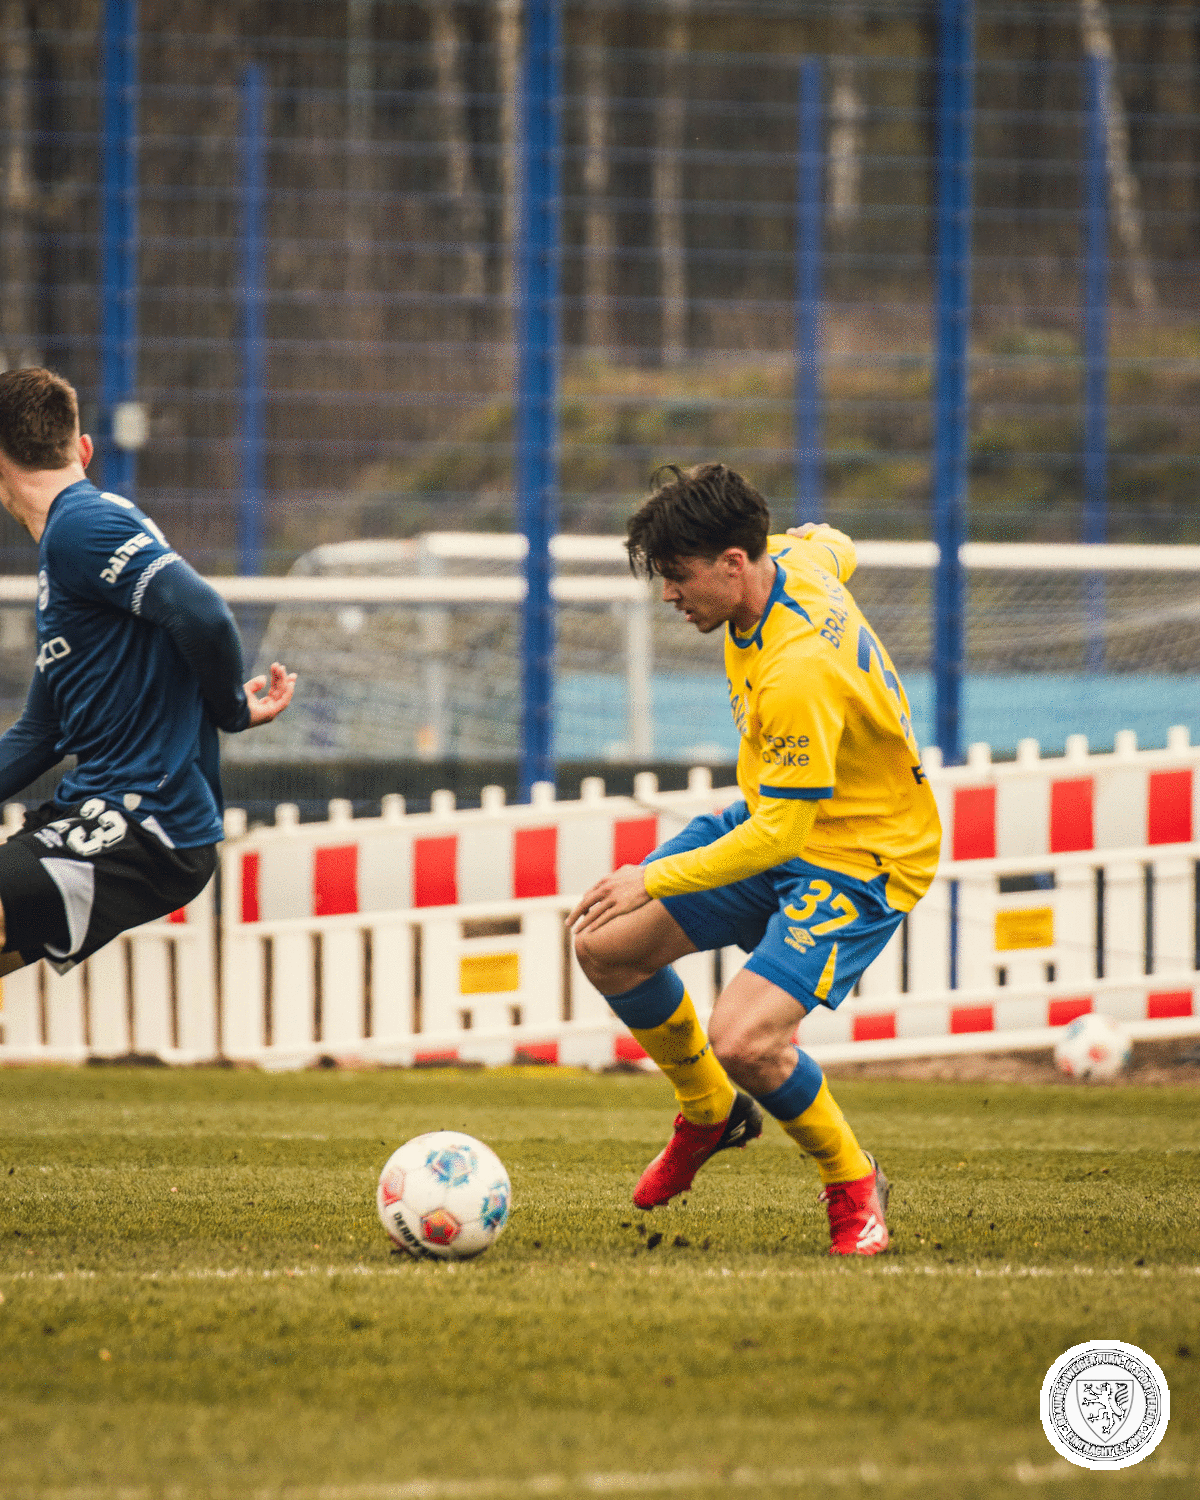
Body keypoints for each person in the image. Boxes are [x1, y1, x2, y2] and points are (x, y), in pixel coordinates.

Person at [568, 462, 940, 1255]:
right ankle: (710, 1113)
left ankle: (853, 1181)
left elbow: (777, 842)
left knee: (745, 1040)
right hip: (783, 815)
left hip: (859, 855)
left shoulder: (797, 670)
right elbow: (835, 543)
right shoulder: (792, 559)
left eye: (678, 575)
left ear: (734, 563)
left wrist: (650, 877)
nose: (669, 594)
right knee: (604, 945)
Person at [0, 366, 295, 977]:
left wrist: (230, 711)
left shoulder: (82, 525)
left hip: (146, 820)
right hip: (98, 811)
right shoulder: (68, 550)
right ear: (84, 448)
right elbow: (41, 732)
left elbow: (204, 614)